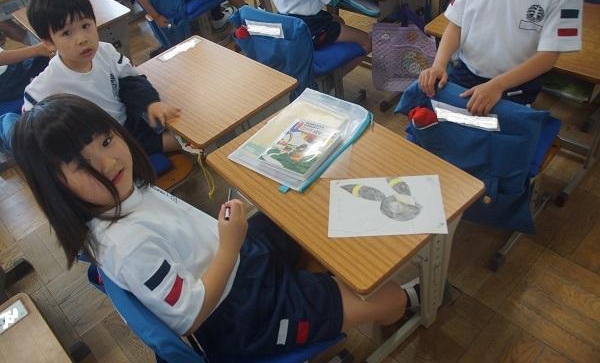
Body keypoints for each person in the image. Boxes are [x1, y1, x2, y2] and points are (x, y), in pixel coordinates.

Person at [12, 94, 422, 356]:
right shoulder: (128, 245)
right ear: (56, 187)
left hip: (236, 263)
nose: (108, 162)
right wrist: (228, 245)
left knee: (298, 213)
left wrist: (228, 243)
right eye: (81, 165)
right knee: (386, 297)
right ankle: (405, 306)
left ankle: (325, 286)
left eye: (106, 141)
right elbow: (189, 316)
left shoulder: (119, 198)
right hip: (243, 316)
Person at [15, 0, 180, 155]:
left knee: (180, 122)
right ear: (49, 43)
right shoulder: (44, 87)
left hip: (127, 125)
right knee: (180, 142)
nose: (82, 39)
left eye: (85, 26)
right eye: (66, 33)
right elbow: (33, 132)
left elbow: (131, 80)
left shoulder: (104, 50)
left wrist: (150, 103)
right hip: (97, 147)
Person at [419, 0, 585, 116]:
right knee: (447, 123)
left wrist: (498, 85)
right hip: (466, 71)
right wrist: (439, 65)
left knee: (494, 130)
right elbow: (456, 25)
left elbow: (549, 55)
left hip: (515, 84)